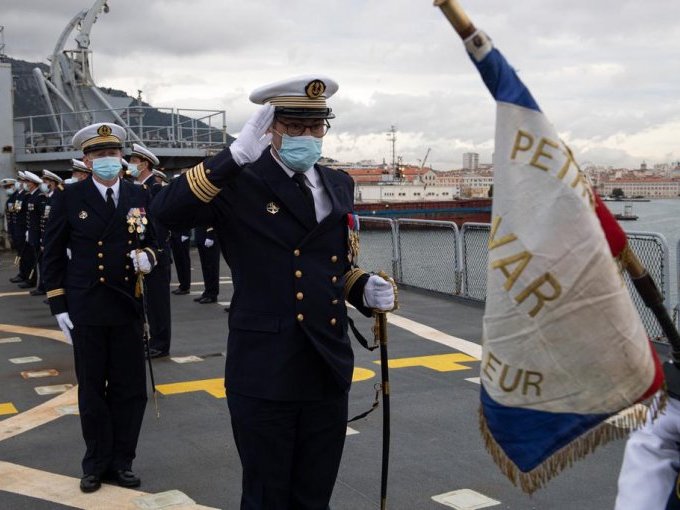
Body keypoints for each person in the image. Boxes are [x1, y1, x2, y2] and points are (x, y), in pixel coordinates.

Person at [151, 74, 395, 509]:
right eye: (295, 127)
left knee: (314, 494)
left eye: (315, 127)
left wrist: (364, 289)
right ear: (272, 128)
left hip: (326, 364)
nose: (307, 136)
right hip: (266, 369)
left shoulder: (338, 184)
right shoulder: (239, 181)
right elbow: (165, 213)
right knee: (267, 496)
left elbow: (332, 267)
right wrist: (232, 157)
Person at [42, 122, 159, 494]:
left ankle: (122, 462)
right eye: (99, 155)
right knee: (92, 389)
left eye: (113, 153)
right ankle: (94, 463)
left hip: (127, 306)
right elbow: (53, 253)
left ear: (122, 157)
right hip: (87, 306)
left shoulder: (139, 195)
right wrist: (58, 303)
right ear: (86, 160)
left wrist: (150, 257)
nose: (108, 160)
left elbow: (158, 241)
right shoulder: (69, 198)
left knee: (130, 390)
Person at [128, 143, 172, 358]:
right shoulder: (138, 188)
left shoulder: (154, 188)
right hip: (144, 253)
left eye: (134, 162)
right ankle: (153, 339)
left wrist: (156, 253)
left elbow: (159, 223)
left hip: (156, 255)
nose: (130, 165)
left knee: (158, 304)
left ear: (144, 163)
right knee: (149, 303)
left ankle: (160, 344)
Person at [17, 171, 45, 289]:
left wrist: (41, 236)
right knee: (37, 261)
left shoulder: (39, 197)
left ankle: (42, 286)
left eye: (27, 182)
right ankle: (38, 284)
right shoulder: (32, 196)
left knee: (41, 262)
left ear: (33, 183)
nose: (26, 184)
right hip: (32, 233)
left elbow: (42, 218)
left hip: (38, 234)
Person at [194, 225, 220, 303]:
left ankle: (212, 294)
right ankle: (207, 291)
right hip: (201, 234)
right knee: (205, 266)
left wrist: (211, 235)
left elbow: (211, 218)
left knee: (212, 266)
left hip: (209, 235)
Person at [169, 228, 192, 295]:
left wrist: (186, 233)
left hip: (183, 234)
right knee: (178, 261)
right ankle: (182, 285)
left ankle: (186, 286)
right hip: (174, 234)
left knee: (184, 261)